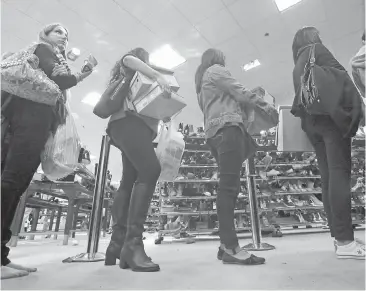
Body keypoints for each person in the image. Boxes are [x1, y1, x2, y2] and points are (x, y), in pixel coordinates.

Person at [1, 23, 93, 280]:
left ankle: (2, 256)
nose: (64, 36)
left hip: (24, 121)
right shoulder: (43, 49)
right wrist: (84, 73)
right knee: (11, 184)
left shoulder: (49, 55)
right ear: (45, 34)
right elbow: (62, 80)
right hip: (30, 120)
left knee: (15, 185)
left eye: (67, 33)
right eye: (59, 32)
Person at [291, 27, 365, 259]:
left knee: (327, 178)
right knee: (340, 175)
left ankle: (339, 237)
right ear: (314, 37)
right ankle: (345, 242)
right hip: (330, 121)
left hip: (312, 124)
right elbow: (342, 74)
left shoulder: (297, 63)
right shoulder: (317, 50)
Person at [194, 48, 265, 265]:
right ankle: (232, 247)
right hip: (228, 130)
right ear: (217, 59)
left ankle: (226, 246)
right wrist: (261, 101)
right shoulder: (216, 70)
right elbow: (239, 91)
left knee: (227, 186)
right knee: (228, 188)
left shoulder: (201, 82)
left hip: (215, 134)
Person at [104, 48, 170, 272]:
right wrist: (159, 76)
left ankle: (117, 244)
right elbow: (128, 58)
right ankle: (132, 245)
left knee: (129, 179)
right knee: (151, 170)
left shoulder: (136, 78)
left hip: (126, 126)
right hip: (130, 124)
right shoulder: (132, 64)